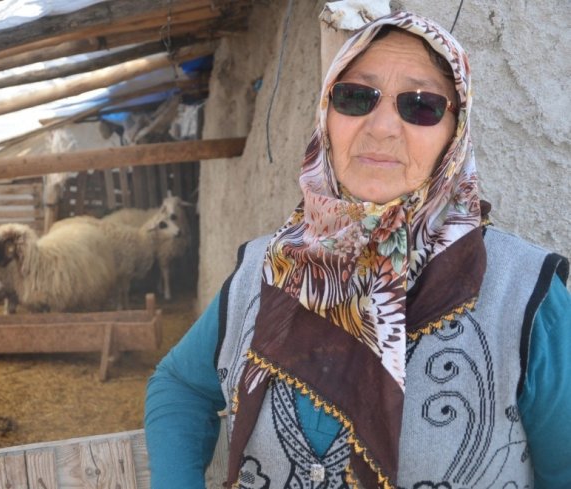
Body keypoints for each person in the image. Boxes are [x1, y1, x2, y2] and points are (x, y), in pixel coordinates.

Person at [145, 11, 570, 489]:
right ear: (327, 115)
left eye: (422, 105)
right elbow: (179, 385)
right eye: (355, 97)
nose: (382, 126)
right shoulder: (265, 269)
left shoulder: (528, 298)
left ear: (456, 132)